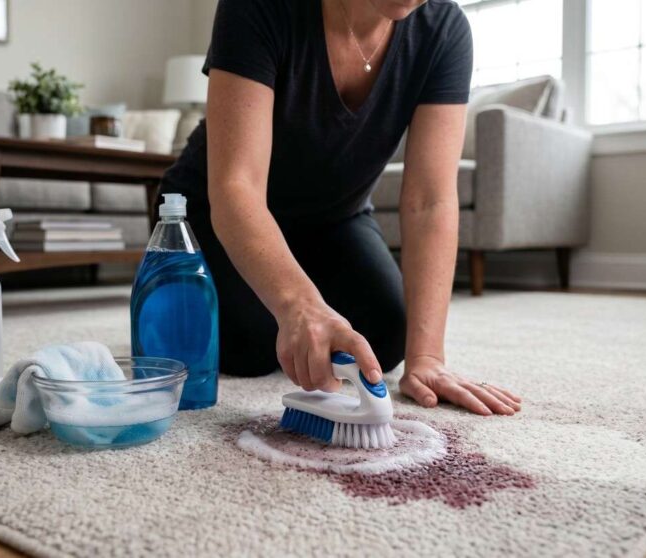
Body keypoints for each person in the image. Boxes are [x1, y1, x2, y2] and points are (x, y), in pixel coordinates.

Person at [161, 0, 521, 415]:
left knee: (384, 336)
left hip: (335, 216)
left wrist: (427, 359)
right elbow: (236, 186)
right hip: (212, 209)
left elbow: (430, 200)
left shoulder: (444, 29)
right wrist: (298, 305)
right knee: (249, 344)